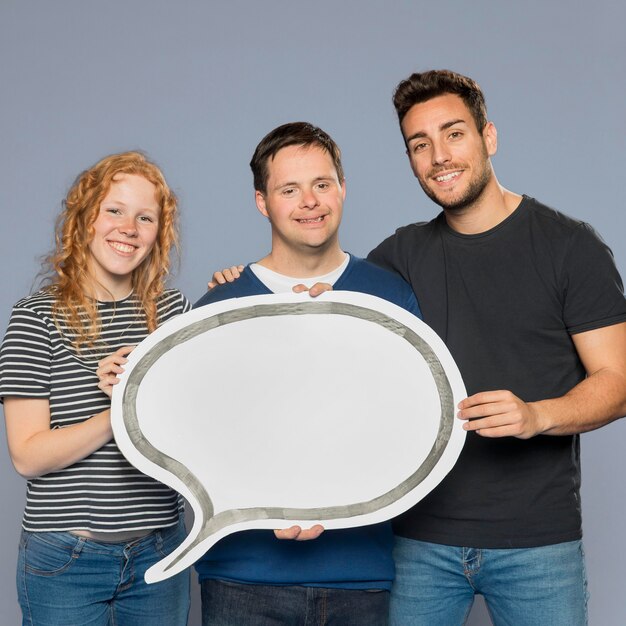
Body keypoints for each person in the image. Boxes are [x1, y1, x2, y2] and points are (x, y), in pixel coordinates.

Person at [365, 69, 626, 625]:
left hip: (539, 545)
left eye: (453, 133)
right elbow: (327, 327)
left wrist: (537, 415)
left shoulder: (569, 247)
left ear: (489, 136)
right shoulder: (398, 255)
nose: (438, 156)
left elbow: (618, 381)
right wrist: (246, 280)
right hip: (420, 541)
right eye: (420, 144)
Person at [194, 121, 421, 626]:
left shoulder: (390, 297)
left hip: (359, 574)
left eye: (322, 184)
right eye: (288, 189)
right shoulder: (220, 306)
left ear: (343, 188)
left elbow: (411, 423)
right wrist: (269, 506)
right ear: (262, 201)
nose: (310, 202)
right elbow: (201, 436)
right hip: (241, 575)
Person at [0, 151, 191, 625]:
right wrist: (121, 408)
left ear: (157, 232)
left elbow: (193, 426)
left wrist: (232, 289)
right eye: (114, 210)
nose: (129, 226)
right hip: (66, 559)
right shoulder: (35, 317)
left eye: (145, 217)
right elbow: (27, 455)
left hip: (160, 551)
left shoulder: (171, 311)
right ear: (84, 218)